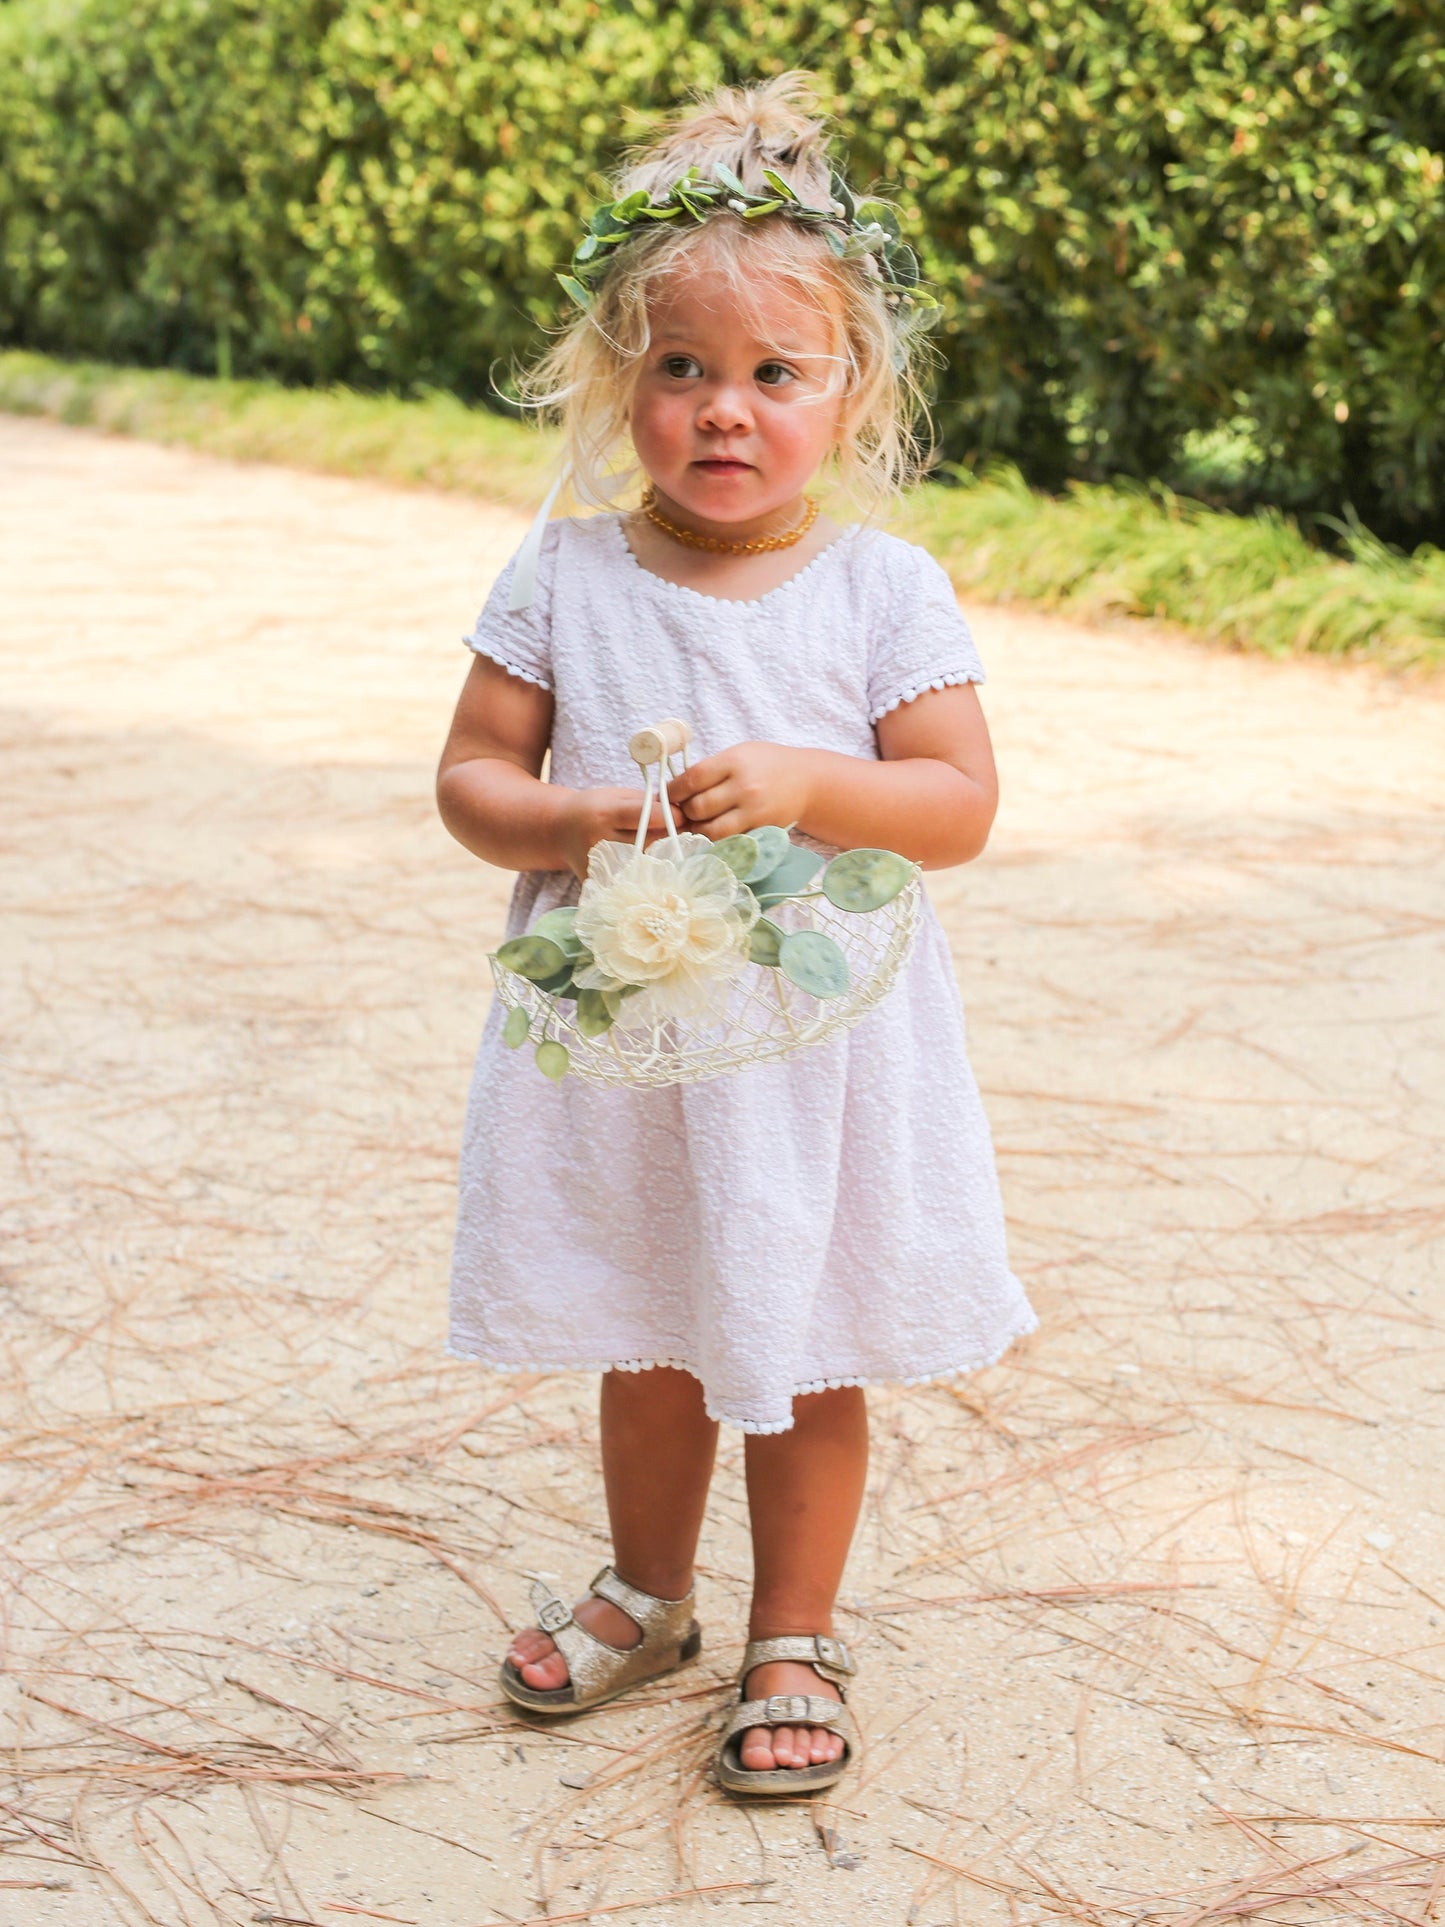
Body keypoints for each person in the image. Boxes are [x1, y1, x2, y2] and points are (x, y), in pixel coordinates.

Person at [435, 71, 1036, 1798]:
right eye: (681, 369)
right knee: (648, 1320)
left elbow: (956, 806)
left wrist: (808, 782)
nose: (722, 410)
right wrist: (565, 820)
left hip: (823, 1054)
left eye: (774, 373)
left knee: (811, 1330)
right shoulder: (564, 574)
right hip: (634, 1044)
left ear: (850, 393)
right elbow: (472, 779)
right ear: (619, 380)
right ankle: (648, 1590)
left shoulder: (879, 591)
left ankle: (793, 1626)